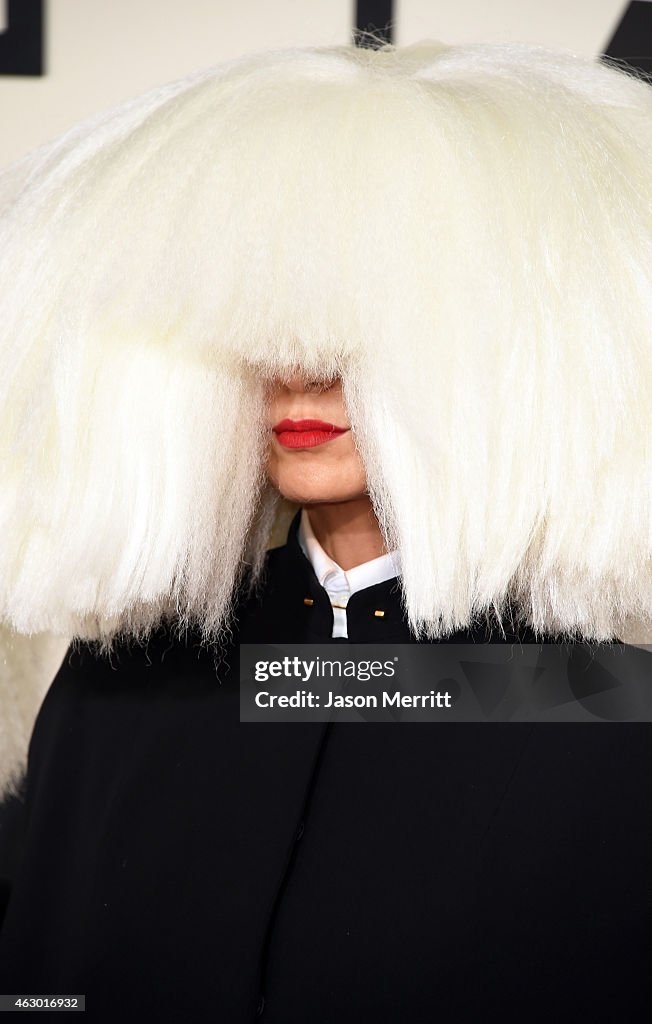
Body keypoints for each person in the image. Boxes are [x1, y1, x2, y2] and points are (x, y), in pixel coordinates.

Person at [1, 38, 652, 1022]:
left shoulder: (599, 698)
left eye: (358, 332)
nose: (300, 372)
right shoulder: (130, 681)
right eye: (263, 320)